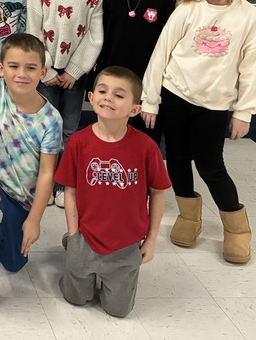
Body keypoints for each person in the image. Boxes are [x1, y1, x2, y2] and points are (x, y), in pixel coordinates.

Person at [141, 0, 256, 264]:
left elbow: (253, 67)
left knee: (211, 165)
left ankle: (237, 229)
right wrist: (150, 99)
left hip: (214, 104)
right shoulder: (187, 9)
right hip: (176, 95)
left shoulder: (248, 16)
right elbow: (161, 54)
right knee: (177, 158)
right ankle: (189, 217)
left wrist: (244, 111)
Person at [56, 66, 170, 318]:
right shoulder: (77, 143)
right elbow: (70, 191)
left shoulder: (146, 147)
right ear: (91, 97)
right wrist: (74, 235)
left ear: (135, 109)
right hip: (85, 237)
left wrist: (151, 239)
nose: (108, 97)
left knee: (118, 310)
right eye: (102, 91)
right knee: (76, 298)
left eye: (119, 95)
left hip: (126, 243)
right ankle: (69, 243)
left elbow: (158, 193)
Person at [0, 33, 62, 326]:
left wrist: (34, 219)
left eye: (31, 68)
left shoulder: (52, 120)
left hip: (22, 198)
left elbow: (47, 174)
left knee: (14, 263)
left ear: (43, 72)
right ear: (1, 68)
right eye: (14, 66)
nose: (22, 74)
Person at [26, 0, 104, 207]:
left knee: (69, 129)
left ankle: (62, 183)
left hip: (75, 74)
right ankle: (43, 182)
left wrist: (74, 70)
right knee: (45, 127)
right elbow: (33, 30)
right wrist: (45, 69)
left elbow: (94, 35)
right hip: (44, 72)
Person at [95, 0, 176, 145]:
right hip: (113, 81)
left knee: (145, 140)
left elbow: (167, 49)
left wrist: (156, 91)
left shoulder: (165, 1)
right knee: (111, 136)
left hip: (147, 85)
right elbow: (102, 40)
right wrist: (96, 80)